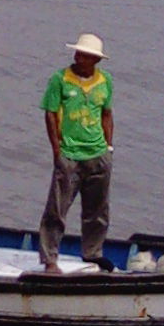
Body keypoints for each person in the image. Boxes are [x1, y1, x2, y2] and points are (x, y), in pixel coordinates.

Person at [39, 32, 113, 272]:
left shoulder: (105, 82)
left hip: (98, 154)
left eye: (85, 55)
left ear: (95, 60)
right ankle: (50, 259)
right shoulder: (59, 80)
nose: (79, 57)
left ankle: (92, 253)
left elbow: (107, 114)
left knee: (98, 210)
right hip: (69, 155)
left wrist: (108, 147)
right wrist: (57, 150)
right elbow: (50, 114)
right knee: (57, 210)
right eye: (78, 53)